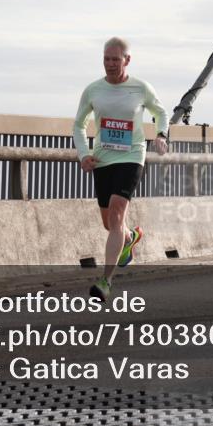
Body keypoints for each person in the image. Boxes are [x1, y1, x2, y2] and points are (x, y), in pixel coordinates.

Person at [73, 37, 169, 300]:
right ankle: (129, 238)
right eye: (107, 59)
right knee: (110, 224)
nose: (111, 64)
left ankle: (105, 282)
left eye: (116, 59)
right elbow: (78, 125)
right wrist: (84, 154)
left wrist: (161, 134)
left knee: (116, 213)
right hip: (103, 159)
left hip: (131, 156)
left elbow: (161, 112)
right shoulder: (93, 90)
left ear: (127, 60)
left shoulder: (140, 88)